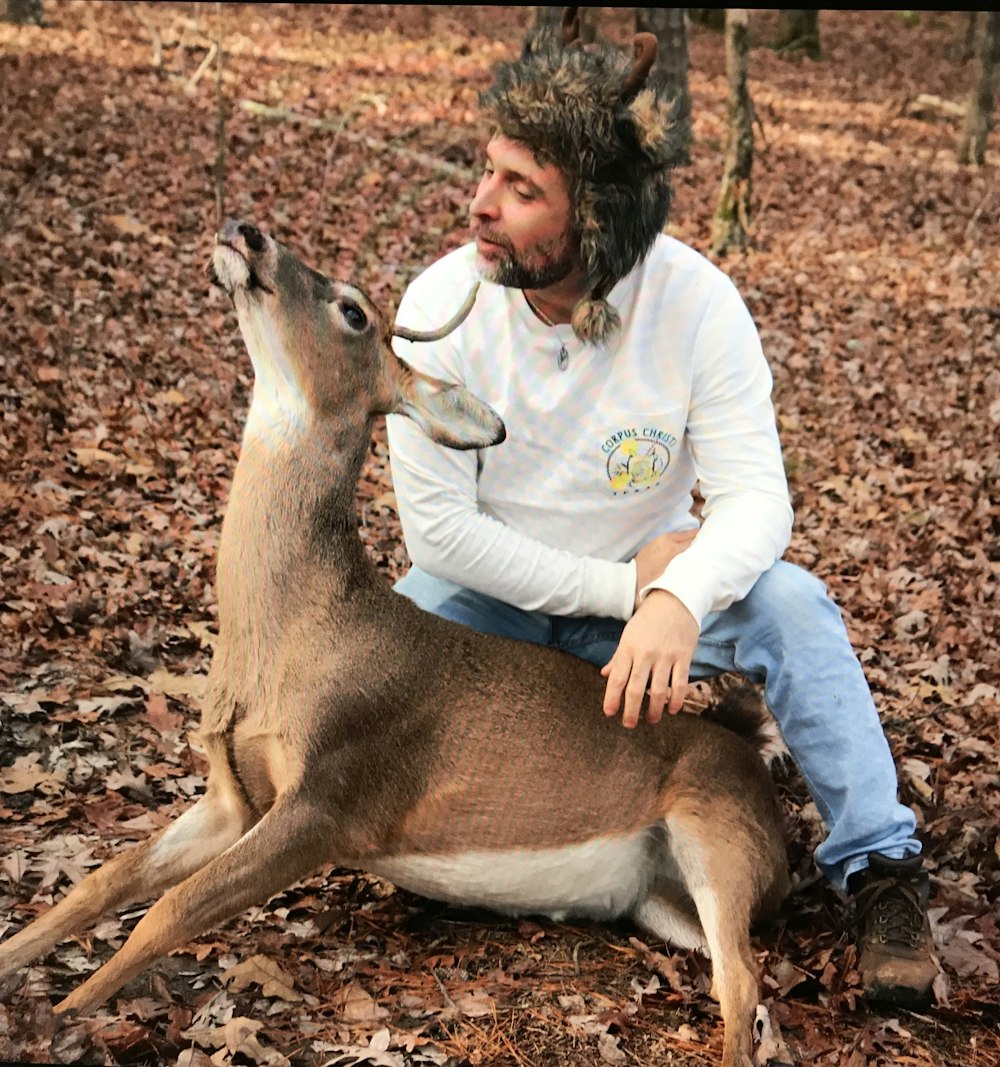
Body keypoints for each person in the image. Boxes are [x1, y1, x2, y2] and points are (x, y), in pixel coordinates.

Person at [385, 17, 937, 1008]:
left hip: (656, 598)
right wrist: (627, 587)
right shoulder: (441, 309)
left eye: (520, 190)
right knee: (382, 632)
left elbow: (756, 498)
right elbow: (440, 534)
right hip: (496, 597)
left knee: (794, 608)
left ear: (593, 217)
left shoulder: (696, 304)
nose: (480, 205)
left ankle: (879, 872)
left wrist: (676, 598)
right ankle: (362, 814)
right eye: (486, 172)